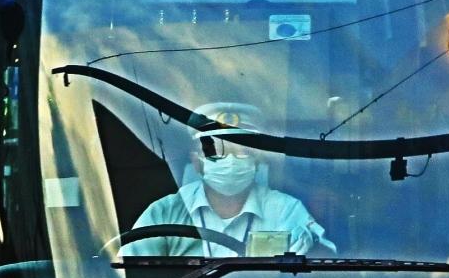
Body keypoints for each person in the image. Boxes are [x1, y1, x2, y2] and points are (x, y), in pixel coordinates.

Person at [123, 102, 336, 257]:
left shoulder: (284, 210)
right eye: (218, 150)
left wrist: (312, 245)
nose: (231, 160)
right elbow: (129, 272)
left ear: (257, 160)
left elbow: (328, 265)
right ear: (196, 162)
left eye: (242, 150)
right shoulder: (165, 212)